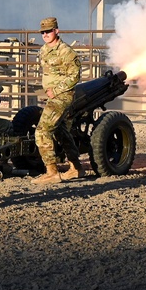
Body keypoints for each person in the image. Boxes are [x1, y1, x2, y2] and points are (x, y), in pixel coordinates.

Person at [32, 17, 84, 184]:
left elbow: (74, 76)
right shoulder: (44, 50)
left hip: (62, 96)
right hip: (53, 96)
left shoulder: (66, 52)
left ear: (56, 31)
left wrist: (55, 90)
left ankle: (52, 172)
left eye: (49, 31)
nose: (45, 34)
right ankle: (76, 168)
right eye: (43, 32)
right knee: (60, 131)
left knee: (42, 131)